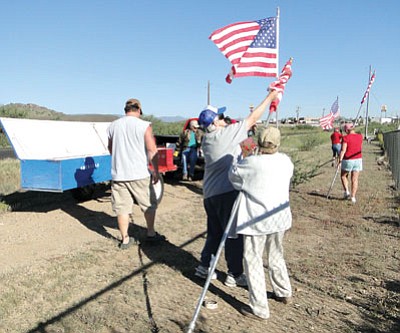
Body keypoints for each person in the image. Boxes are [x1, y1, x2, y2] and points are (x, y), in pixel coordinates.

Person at [194, 89, 278, 287]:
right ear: (214, 123)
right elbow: (253, 117)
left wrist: (248, 138)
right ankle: (234, 273)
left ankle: (205, 266)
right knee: (233, 234)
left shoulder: (209, 139)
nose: (225, 119)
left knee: (214, 232)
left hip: (210, 194)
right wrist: (270, 97)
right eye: (221, 117)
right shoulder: (223, 135)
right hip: (226, 193)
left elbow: (242, 150)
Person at [229, 127, 293, 320]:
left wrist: (245, 155)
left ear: (258, 142)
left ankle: (259, 308)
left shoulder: (251, 163)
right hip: (279, 217)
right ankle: (283, 291)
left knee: (253, 259)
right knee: (276, 255)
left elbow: (234, 178)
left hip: (256, 219)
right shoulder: (286, 161)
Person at [107, 98, 165, 249]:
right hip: (139, 173)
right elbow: (152, 150)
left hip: (119, 174)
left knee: (122, 208)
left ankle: (125, 239)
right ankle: (151, 234)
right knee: (148, 205)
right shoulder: (144, 125)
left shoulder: (113, 126)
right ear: (139, 110)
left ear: (126, 110)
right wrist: (156, 171)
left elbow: (111, 149)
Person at [338, 123, 363, 204]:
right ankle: (353, 197)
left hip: (348, 159)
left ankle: (347, 191)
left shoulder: (346, 138)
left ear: (346, 130)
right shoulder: (360, 136)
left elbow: (343, 150)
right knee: (355, 179)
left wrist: (340, 160)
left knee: (343, 176)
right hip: (358, 159)